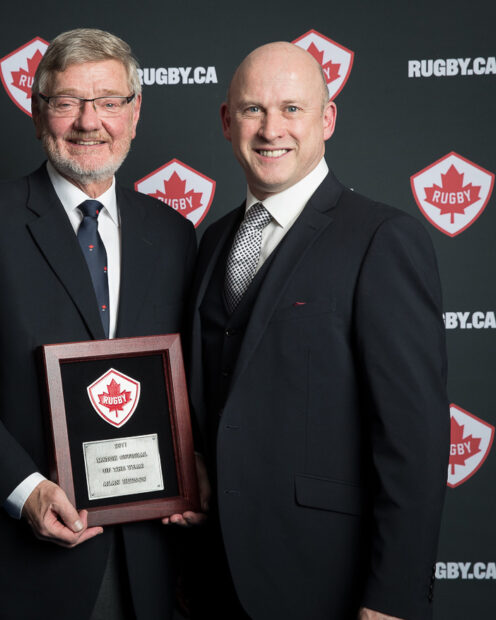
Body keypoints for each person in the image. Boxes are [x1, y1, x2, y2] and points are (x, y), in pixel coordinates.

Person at [0, 28, 197, 620]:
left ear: (135, 113)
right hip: (18, 564)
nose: (90, 121)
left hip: (145, 561)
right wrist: (25, 491)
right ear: (39, 115)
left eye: (110, 102)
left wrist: (194, 475)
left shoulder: (172, 235)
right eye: (67, 102)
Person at [185, 42, 449, 619]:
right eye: (252, 110)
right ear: (228, 122)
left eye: (291, 109)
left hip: (326, 581)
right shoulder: (211, 242)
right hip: (211, 577)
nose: (270, 128)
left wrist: (394, 599)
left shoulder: (382, 239)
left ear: (326, 119)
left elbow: (414, 441)